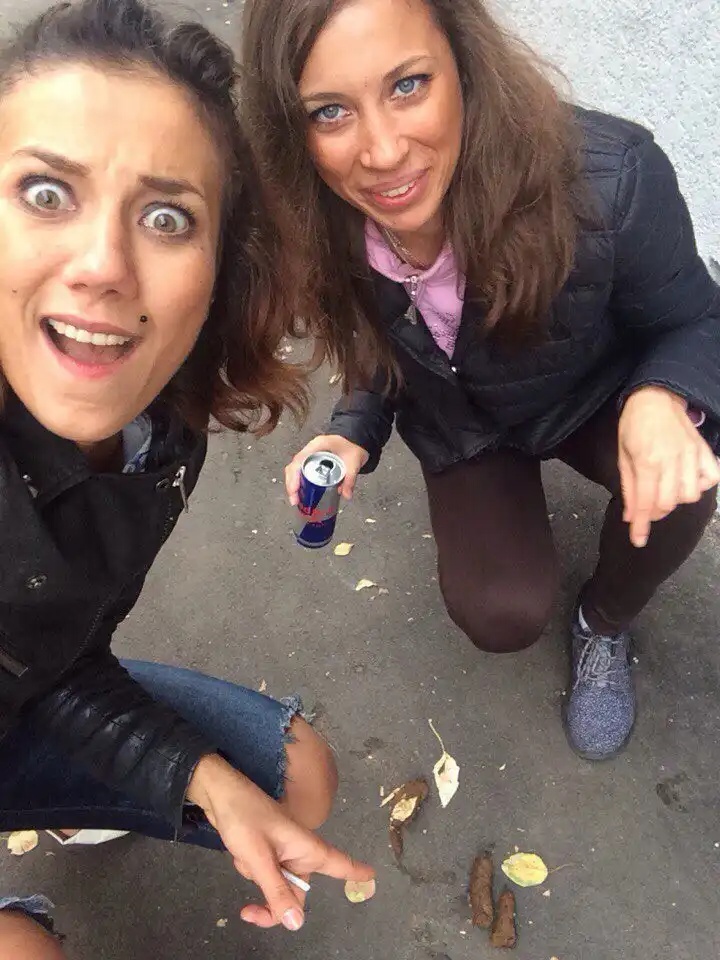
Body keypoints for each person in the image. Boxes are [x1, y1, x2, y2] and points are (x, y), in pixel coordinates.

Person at [238, 0, 720, 763]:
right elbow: (373, 341)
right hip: (463, 424)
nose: (383, 152)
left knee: (685, 478)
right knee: (500, 615)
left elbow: (698, 316)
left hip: (592, 392)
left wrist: (663, 394)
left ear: (465, 63)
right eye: (330, 111)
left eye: (407, 85)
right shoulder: (318, 217)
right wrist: (352, 430)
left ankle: (605, 621)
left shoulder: (610, 178)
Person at [0, 1, 374, 957]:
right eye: (46, 193)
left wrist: (197, 776)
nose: (102, 267)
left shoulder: (159, 430)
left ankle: (62, 806)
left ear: (222, 269)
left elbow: (53, 654)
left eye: (166, 217)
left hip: (21, 703)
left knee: (293, 784)